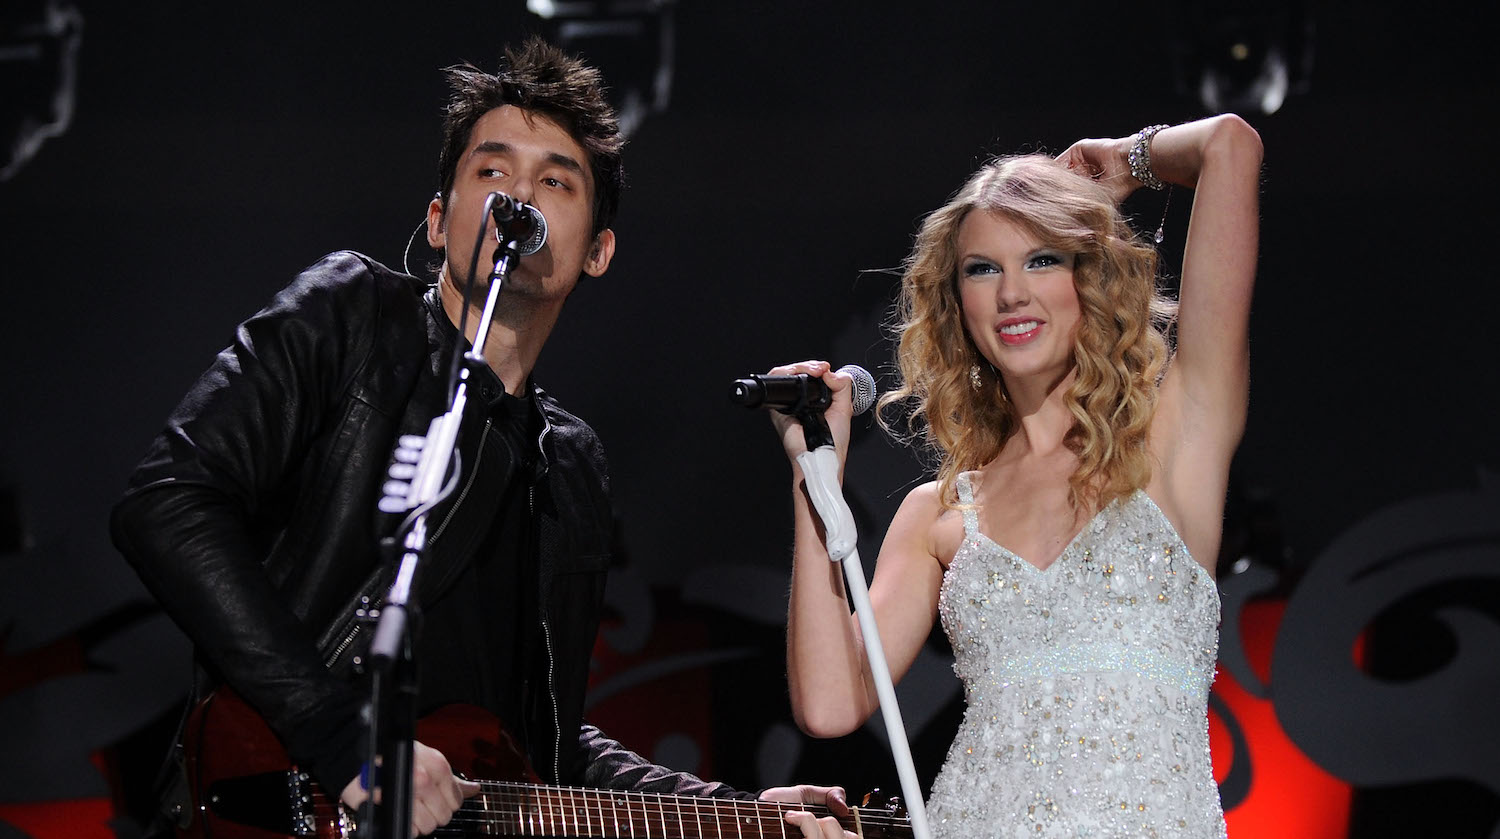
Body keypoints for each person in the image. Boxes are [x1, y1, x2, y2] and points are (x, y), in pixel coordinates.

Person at [111, 36, 854, 839]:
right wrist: (345, 742)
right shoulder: (351, 315)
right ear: (439, 221)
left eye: (555, 181)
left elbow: (541, 745)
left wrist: (735, 812)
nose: (518, 196)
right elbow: (167, 503)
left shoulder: (569, 464)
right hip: (270, 802)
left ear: (597, 251)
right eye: (492, 171)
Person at [766, 114, 1262, 837]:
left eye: (1042, 259)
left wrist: (1125, 162)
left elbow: (1229, 146)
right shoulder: (939, 513)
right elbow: (830, 703)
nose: (1011, 294)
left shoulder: (1177, 437)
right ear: (957, 305)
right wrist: (814, 471)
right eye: (983, 268)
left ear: (1090, 278)